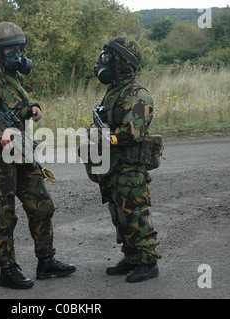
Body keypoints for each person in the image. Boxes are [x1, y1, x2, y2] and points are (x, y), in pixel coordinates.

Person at [0, 22, 75, 289]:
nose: (17, 54)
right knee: (3, 214)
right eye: (11, 49)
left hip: (20, 151)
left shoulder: (13, 77)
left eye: (20, 49)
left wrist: (32, 108)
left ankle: (46, 262)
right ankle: (7, 270)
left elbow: (12, 106)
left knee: (42, 205)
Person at [87, 37, 160, 282]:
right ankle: (131, 257)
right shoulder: (114, 91)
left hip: (130, 167)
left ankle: (148, 262)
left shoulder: (138, 95)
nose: (102, 61)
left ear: (122, 62)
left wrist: (105, 137)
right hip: (114, 166)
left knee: (135, 213)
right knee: (119, 213)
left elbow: (133, 132)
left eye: (108, 56)